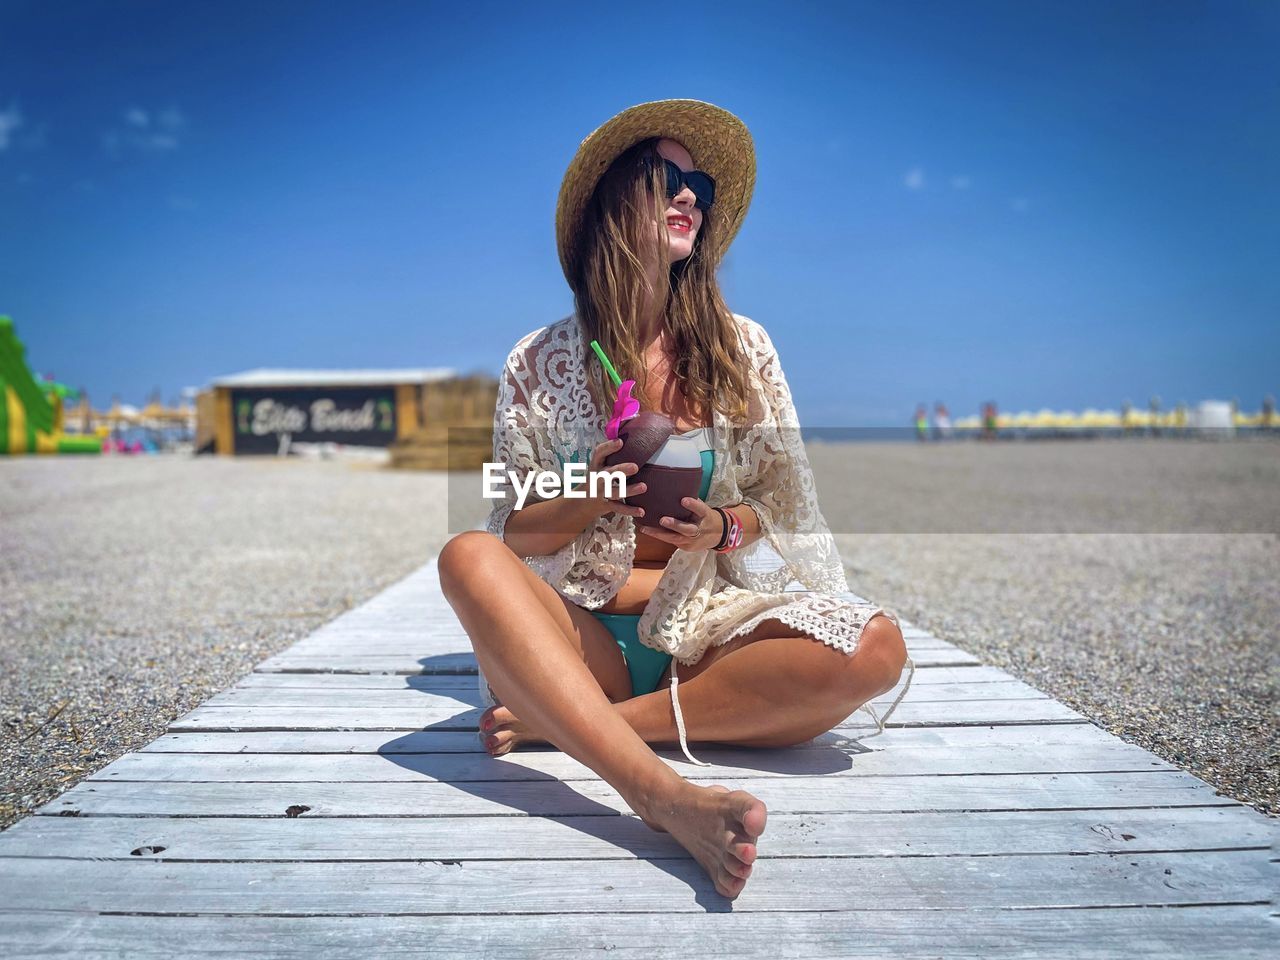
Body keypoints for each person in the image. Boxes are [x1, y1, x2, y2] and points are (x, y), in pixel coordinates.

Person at [438, 100, 909, 901]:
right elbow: (511, 527)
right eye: (668, 179)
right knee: (465, 556)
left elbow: (781, 503)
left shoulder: (743, 347)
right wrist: (591, 492)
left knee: (876, 651)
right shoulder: (540, 359)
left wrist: (725, 526)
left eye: (699, 185)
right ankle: (657, 793)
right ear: (616, 202)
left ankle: (573, 726)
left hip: (707, 635)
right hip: (582, 636)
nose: (691, 195)